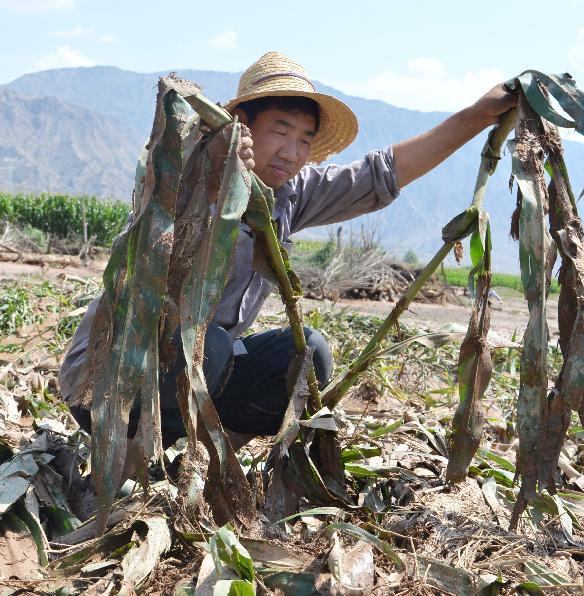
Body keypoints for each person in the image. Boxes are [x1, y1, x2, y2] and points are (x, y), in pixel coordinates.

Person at [59, 51, 516, 448]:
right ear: (242, 125)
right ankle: (140, 464)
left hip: (197, 377)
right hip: (109, 383)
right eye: (280, 130)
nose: (292, 151)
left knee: (305, 356)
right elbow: (156, 212)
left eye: (304, 139)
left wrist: (478, 115)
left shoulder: (290, 195)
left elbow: (380, 175)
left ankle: (212, 453)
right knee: (206, 343)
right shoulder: (189, 175)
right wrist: (215, 175)